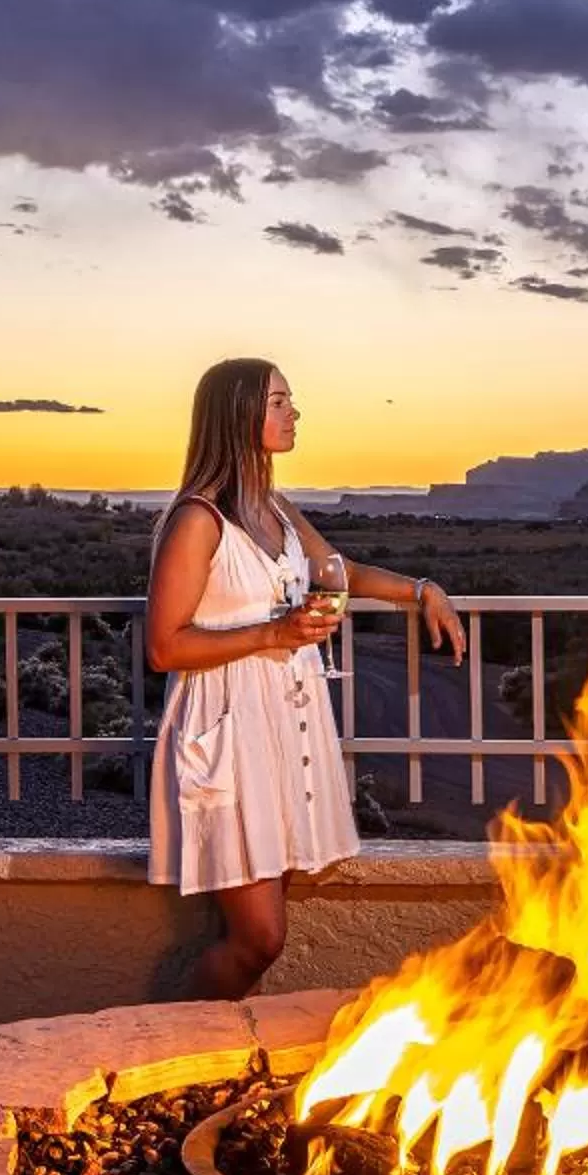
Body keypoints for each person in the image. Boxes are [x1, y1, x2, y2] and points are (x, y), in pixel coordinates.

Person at [144, 357, 467, 996]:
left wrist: (420, 589)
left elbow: (338, 572)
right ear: (239, 415)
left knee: (262, 927)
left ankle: (223, 1055)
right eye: (279, 402)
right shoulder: (198, 520)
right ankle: (150, 1043)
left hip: (284, 724)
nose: (294, 413)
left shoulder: (275, 508)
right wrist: (273, 633)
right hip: (230, 730)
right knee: (260, 938)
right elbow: (163, 646)